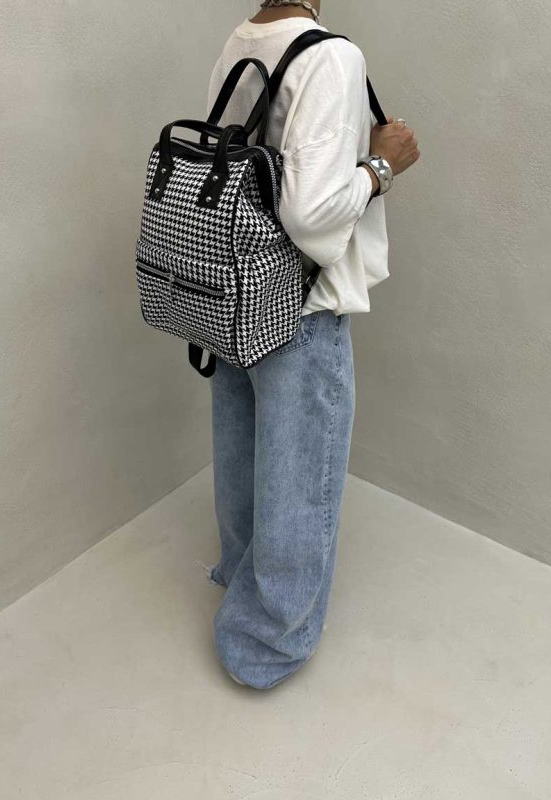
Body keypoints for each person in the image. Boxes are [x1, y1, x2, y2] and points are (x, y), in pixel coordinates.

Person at [198, 0, 420, 689]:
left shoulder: (242, 40)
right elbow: (312, 215)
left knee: (244, 451)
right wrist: (382, 167)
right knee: (300, 477)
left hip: (235, 290)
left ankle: (241, 574)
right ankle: (265, 643)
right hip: (299, 301)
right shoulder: (332, 55)